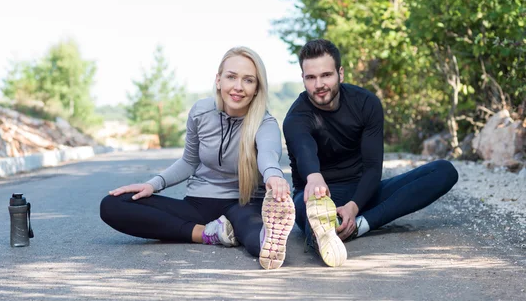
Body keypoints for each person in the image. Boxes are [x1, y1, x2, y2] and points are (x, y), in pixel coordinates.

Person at [100, 46, 295, 270]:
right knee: (113, 204)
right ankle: (207, 233)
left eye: (248, 80)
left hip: (244, 204)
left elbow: (269, 155)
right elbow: (189, 161)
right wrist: (152, 185)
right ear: (218, 80)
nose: (238, 87)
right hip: (199, 204)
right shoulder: (201, 112)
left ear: (257, 88)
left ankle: (267, 237)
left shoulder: (265, 123)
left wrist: (274, 177)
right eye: (231, 77)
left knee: (258, 241)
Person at [283, 39, 459, 267]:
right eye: (311, 77)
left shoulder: (366, 104)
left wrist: (354, 206)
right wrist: (314, 177)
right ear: (303, 79)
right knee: (310, 212)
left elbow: (373, 168)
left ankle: (360, 224)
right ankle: (323, 232)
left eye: (326, 75)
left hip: (362, 193)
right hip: (315, 196)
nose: (319, 84)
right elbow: (304, 150)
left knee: (444, 171)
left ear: (341, 74)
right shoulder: (296, 117)